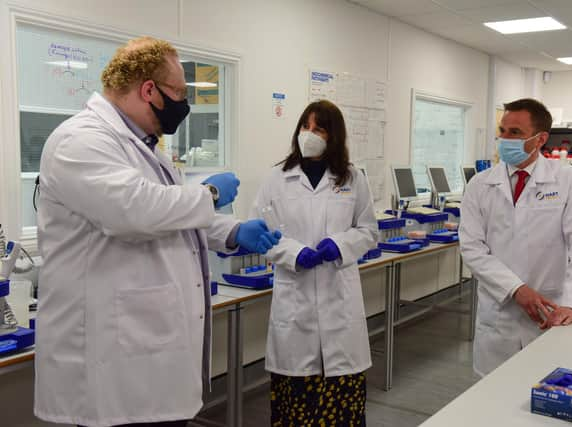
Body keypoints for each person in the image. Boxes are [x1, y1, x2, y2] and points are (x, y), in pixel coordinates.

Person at [34, 36, 280, 427]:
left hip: (144, 352)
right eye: (180, 93)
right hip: (108, 364)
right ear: (148, 89)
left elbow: (171, 215)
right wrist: (211, 193)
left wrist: (231, 232)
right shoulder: (79, 140)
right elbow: (134, 211)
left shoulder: (144, 146)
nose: (185, 104)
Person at [251, 100, 378, 426]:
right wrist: (294, 253)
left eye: (319, 128)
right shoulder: (276, 179)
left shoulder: (352, 178)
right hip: (296, 304)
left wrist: (339, 245)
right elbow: (261, 234)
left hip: (339, 302)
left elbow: (367, 230)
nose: (310, 134)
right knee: (296, 404)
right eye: (305, 127)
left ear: (333, 135)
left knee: (343, 404)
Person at [459, 98, 572, 376]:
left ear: (540, 139)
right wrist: (516, 289)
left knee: (545, 391)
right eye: (502, 130)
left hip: (550, 310)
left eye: (515, 133)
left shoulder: (567, 179)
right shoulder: (480, 184)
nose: (504, 139)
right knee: (493, 397)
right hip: (500, 310)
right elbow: (472, 248)